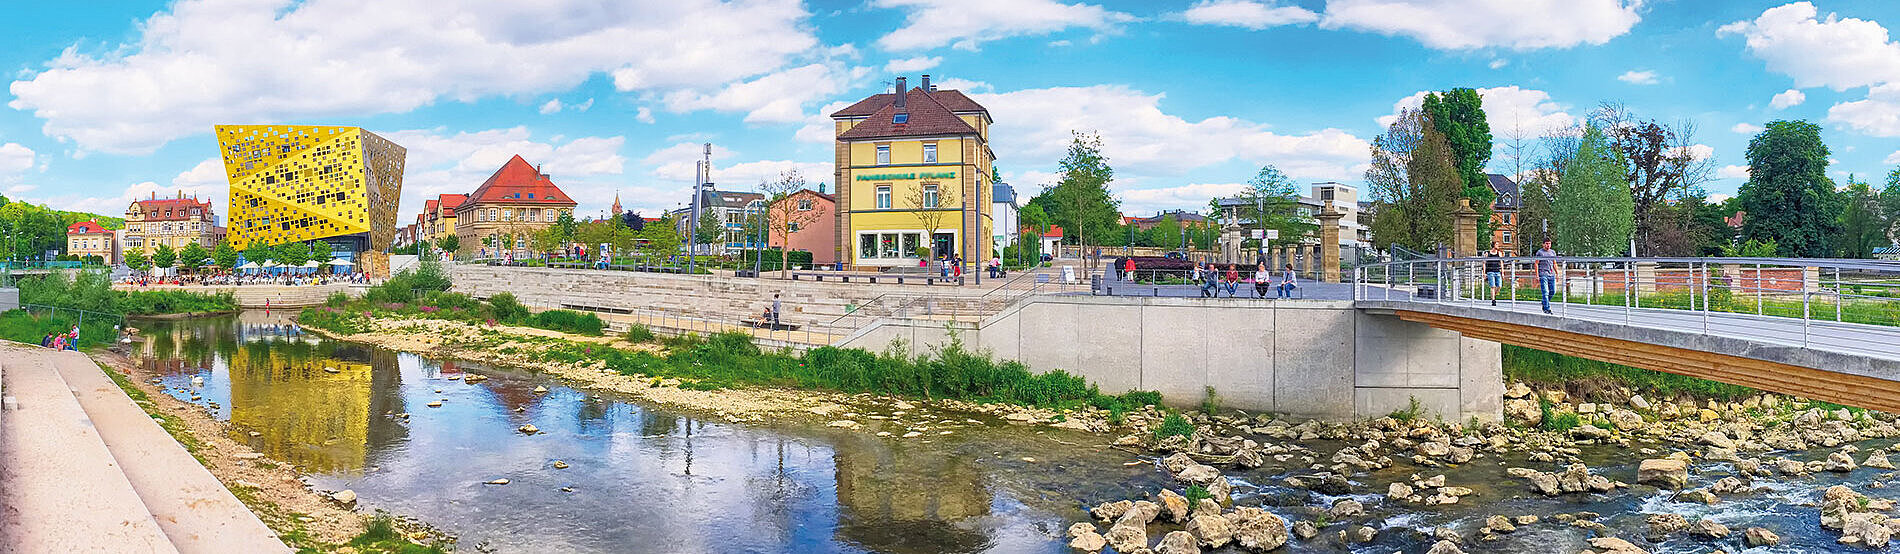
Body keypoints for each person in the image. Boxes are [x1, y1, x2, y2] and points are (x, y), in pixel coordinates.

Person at [1535, 239, 1559, 314]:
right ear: (1543, 244)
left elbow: (1554, 263)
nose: (1548, 245)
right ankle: (1547, 309)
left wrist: (1557, 273)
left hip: (1551, 274)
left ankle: (1544, 302)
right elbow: (1536, 263)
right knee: (1545, 292)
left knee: (1553, 291)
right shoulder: (1540, 252)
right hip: (1543, 274)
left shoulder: (1552, 252)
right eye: (1546, 243)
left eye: (1549, 244)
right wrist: (1537, 275)